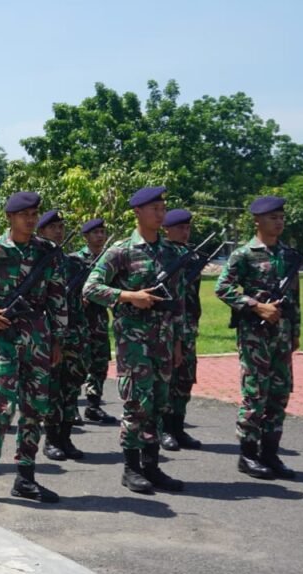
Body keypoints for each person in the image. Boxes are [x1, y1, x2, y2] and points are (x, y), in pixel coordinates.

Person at [0, 191, 67, 507]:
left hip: (39, 337)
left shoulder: (48, 251)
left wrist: (58, 339)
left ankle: (26, 478)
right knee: (2, 408)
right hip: (5, 337)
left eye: (34, 214)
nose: (31, 219)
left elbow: (58, 297)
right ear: (10, 217)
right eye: (24, 215)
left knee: (35, 409)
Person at [83, 186, 186, 494]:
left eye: (163, 208)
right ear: (138, 212)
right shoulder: (121, 251)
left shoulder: (171, 252)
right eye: (155, 208)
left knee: (159, 404)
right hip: (134, 343)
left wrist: (178, 341)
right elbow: (91, 288)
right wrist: (128, 296)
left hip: (164, 341)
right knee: (137, 405)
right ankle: (131, 469)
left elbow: (177, 301)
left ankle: (152, 466)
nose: (160, 213)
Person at [215, 196, 299, 480]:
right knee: (255, 394)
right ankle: (248, 455)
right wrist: (254, 305)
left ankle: (270, 453)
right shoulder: (244, 254)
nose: (279, 222)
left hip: (282, 335)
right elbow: (222, 288)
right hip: (255, 335)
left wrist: (295, 331)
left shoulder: (288, 255)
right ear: (257, 221)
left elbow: (294, 298)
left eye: (281, 217)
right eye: (273, 217)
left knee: (279, 393)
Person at [36, 210, 85, 462]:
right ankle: (51, 440)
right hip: (48, 335)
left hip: (74, 333)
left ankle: (66, 437)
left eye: (60, 227)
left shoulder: (74, 264)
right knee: (52, 388)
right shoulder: (37, 264)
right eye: (52, 227)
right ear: (41, 232)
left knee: (72, 386)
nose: (58, 231)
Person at [161, 209, 203, 450]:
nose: (185, 232)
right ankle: (164, 428)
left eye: (187, 228)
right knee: (168, 378)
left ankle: (178, 427)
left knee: (185, 378)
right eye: (180, 228)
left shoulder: (193, 256)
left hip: (188, 326)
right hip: (166, 326)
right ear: (166, 230)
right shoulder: (162, 255)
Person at [76, 218, 118, 425]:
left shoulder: (109, 259)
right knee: (77, 364)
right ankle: (71, 406)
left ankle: (93, 406)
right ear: (86, 236)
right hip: (79, 320)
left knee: (100, 363)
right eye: (96, 232)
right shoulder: (75, 260)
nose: (100, 236)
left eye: (102, 232)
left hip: (99, 319)